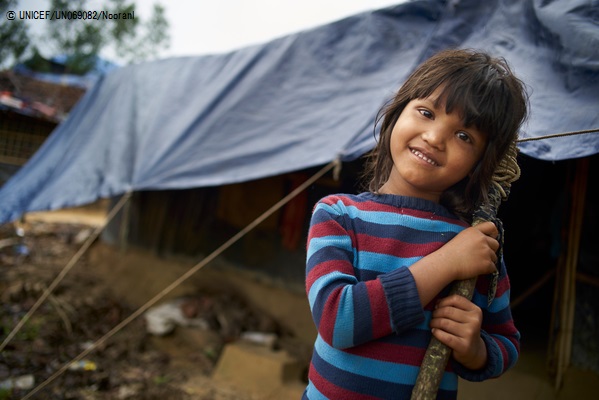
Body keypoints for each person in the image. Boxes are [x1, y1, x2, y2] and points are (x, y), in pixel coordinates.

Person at [303, 48, 528, 399]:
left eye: (464, 136)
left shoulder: (476, 246)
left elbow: (506, 342)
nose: (435, 138)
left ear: (480, 163)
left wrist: (476, 350)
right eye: (426, 112)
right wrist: (446, 263)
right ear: (397, 111)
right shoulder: (339, 215)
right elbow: (339, 320)